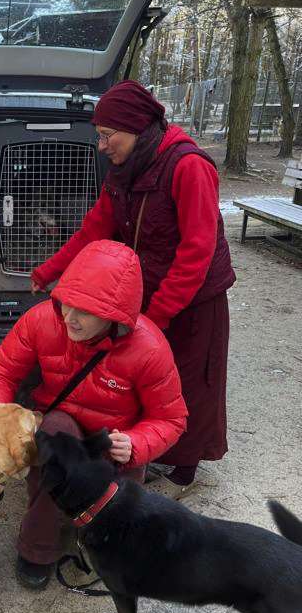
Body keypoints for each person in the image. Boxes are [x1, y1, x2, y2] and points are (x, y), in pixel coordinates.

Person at [31, 80, 235, 499]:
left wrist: (155, 319)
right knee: (148, 379)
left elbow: (197, 252)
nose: (102, 146)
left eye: (108, 136)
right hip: (149, 287)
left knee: (190, 377)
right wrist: (50, 270)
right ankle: (152, 448)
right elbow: (94, 229)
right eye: (99, 136)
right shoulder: (123, 171)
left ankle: (184, 468)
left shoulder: (188, 166)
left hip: (196, 296)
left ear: (137, 128)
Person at [0, 240, 188, 589]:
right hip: (60, 424)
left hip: (115, 438)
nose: (69, 317)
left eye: (85, 311)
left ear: (115, 315)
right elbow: (0, 371)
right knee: (57, 446)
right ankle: (38, 548)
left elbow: (172, 418)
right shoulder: (43, 320)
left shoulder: (149, 348)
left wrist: (136, 444)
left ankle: (108, 543)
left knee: (117, 515)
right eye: (66, 303)